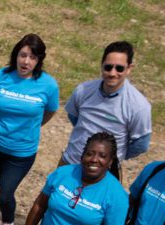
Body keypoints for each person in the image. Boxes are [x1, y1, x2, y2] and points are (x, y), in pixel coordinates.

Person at [0, 34, 59, 225]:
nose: (26, 61)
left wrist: (31, 127)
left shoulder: (48, 85)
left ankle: (8, 220)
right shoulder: (0, 76)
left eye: (32, 57)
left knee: (4, 193)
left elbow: (49, 112)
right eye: (23, 55)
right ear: (16, 55)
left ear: (39, 60)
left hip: (20, 153)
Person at [61, 41, 151, 177]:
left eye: (119, 68)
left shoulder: (138, 106)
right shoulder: (83, 91)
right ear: (101, 65)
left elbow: (141, 144)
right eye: (108, 67)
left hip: (105, 173)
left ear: (129, 68)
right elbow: (74, 117)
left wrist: (115, 154)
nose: (112, 73)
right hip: (71, 162)